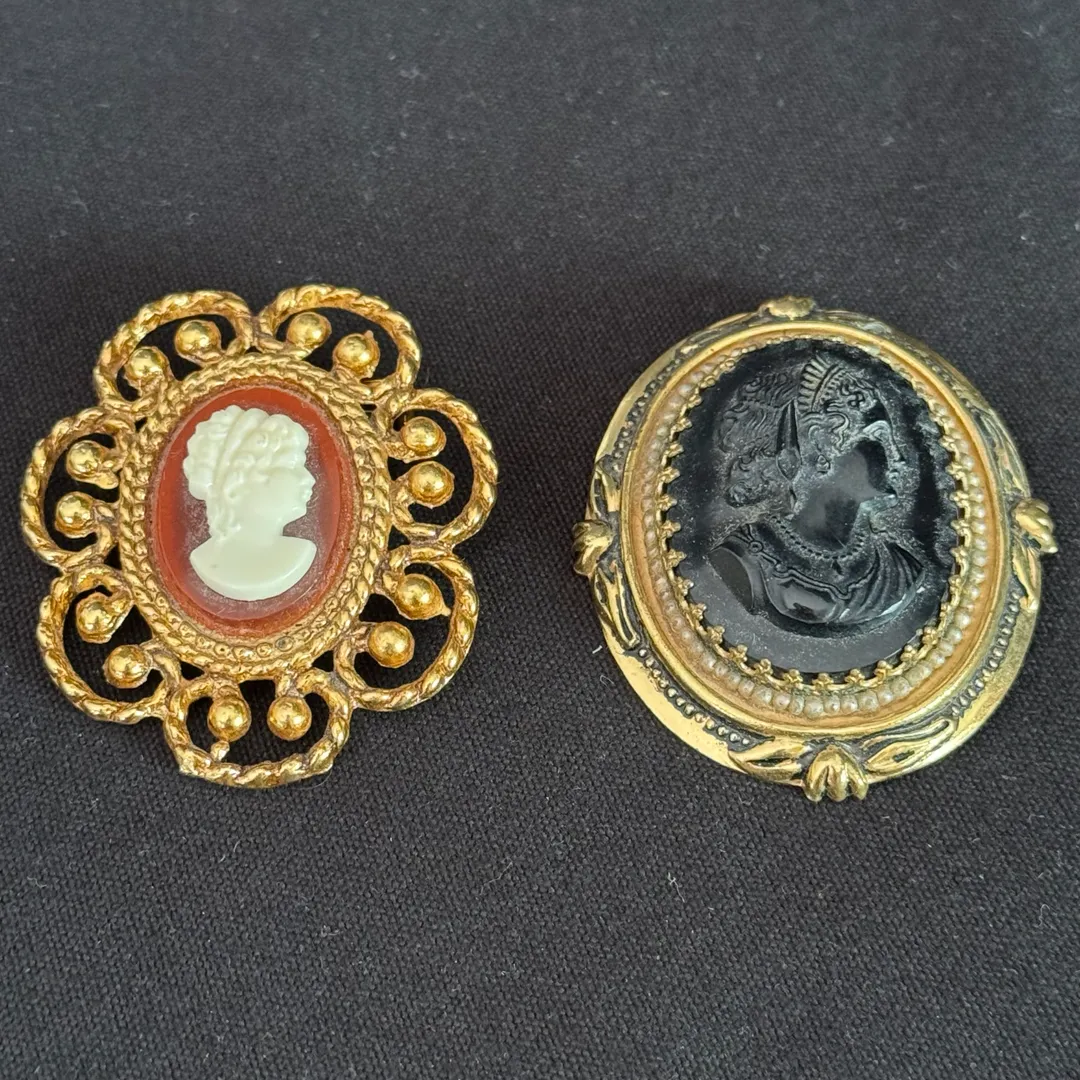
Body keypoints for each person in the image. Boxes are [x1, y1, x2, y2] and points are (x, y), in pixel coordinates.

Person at [182, 405, 317, 601]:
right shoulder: (292, 556)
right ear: (238, 482)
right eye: (292, 466)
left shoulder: (298, 553)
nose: (309, 479)